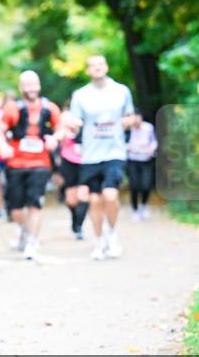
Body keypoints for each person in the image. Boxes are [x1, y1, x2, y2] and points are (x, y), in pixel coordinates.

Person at [68, 55, 135, 260]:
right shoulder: (80, 95)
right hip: (90, 155)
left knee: (110, 195)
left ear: (106, 67)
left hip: (114, 151)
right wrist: (73, 125)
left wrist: (128, 122)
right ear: (88, 70)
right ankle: (99, 241)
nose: (97, 68)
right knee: (95, 200)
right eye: (93, 66)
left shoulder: (121, 91)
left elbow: (130, 116)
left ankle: (112, 233)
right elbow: (75, 120)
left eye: (100, 64)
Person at [0, 70, 63, 260]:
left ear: (39, 86)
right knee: (15, 209)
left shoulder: (50, 108)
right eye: (27, 84)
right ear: (21, 87)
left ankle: (32, 241)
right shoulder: (12, 108)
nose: (31, 88)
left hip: (40, 164)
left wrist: (55, 139)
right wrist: (3, 146)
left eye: (34, 84)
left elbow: (61, 128)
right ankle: (25, 230)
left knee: (35, 204)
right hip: (16, 163)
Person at [57, 102, 89, 239]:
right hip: (68, 161)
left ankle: (79, 227)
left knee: (84, 195)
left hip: (86, 161)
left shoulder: (89, 118)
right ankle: (74, 219)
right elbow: (58, 135)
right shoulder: (65, 118)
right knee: (71, 199)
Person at [126, 112, 158, 220]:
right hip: (133, 160)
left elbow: (154, 141)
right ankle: (135, 210)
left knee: (146, 185)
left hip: (146, 160)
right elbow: (122, 142)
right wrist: (128, 147)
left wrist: (151, 148)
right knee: (134, 186)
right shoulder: (128, 129)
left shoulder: (148, 128)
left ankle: (143, 205)